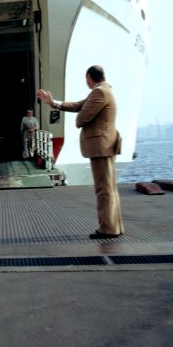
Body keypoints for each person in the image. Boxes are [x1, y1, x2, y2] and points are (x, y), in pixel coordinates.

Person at [37, 65, 123, 239]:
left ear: (90, 77)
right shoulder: (103, 91)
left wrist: (79, 118)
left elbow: (82, 116)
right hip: (105, 145)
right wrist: (53, 103)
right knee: (109, 188)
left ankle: (108, 229)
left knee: (103, 190)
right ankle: (115, 226)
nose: (86, 82)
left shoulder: (99, 93)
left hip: (101, 146)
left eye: (86, 79)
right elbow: (79, 105)